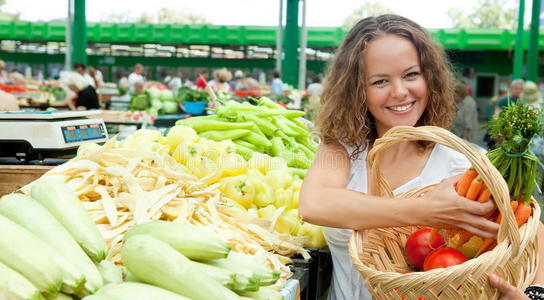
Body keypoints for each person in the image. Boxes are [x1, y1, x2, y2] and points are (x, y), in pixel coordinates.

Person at [298, 14, 544, 300]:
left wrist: (535, 293)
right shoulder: (341, 149)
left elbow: (533, 231)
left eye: (411, 75)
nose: (400, 92)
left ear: (430, 77)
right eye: (379, 81)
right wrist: (428, 210)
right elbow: (313, 204)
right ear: (357, 90)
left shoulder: (463, 162)